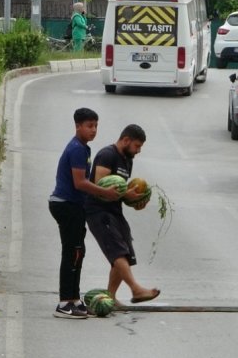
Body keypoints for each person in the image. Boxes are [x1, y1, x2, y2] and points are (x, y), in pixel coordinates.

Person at [49, 108, 121, 319]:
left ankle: (74, 299)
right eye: (89, 126)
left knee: (78, 252)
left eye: (96, 126)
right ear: (77, 126)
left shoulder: (84, 148)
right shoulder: (77, 149)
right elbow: (80, 183)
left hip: (74, 206)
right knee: (72, 252)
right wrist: (105, 192)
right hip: (66, 205)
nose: (93, 130)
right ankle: (64, 303)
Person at [85, 124, 161, 306]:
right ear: (126, 140)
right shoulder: (107, 155)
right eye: (137, 146)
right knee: (118, 251)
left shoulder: (127, 160)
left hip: (115, 211)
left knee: (125, 254)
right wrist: (126, 193)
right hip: (99, 211)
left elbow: (121, 191)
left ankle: (110, 297)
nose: (139, 151)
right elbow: (100, 186)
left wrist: (136, 201)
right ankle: (136, 289)